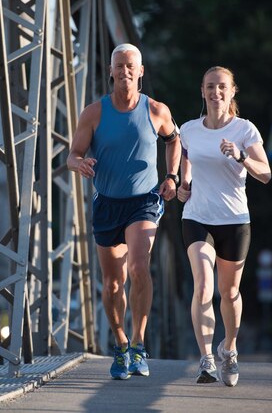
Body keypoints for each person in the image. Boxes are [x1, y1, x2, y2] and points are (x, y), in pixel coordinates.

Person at [67, 43, 181, 380]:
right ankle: (120, 345)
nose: (125, 71)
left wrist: (172, 176)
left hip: (143, 201)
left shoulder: (157, 110)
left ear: (141, 71)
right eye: (119, 66)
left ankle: (138, 343)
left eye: (131, 65)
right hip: (107, 202)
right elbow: (72, 154)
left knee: (138, 266)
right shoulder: (94, 113)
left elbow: (174, 140)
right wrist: (80, 164)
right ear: (111, 71)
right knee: (113, 283)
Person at [176, 66, 271, 387]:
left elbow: (266, 173)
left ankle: (228, 349)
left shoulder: (245, 130)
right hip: (197, 217)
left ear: (232, 92)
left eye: (222, 87)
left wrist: (241, 156)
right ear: (202, 92)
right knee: (203, 285)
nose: (216, 92)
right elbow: (184, 157)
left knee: (229, 293)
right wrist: (182, 183)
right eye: (210, 87)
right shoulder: (188, 129)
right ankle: (206, 359)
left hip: (234, 220)